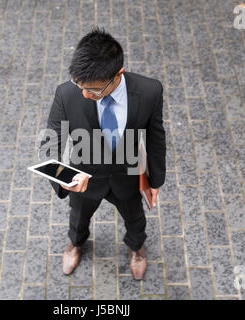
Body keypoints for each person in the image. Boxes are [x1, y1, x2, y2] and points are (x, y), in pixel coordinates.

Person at [40, 27, 166, 280]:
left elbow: (155, 136)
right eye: (81, 86)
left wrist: (156, 180)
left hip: (128, 176)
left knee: (135, 218)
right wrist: (64, 178)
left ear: (118, 74)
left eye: (94, 91)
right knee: (78, 217)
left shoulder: (150, 91)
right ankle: (75, 243)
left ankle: (136, 248)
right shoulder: (67, 93)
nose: (86, 94)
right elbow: (49, 143)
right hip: (83, 177)